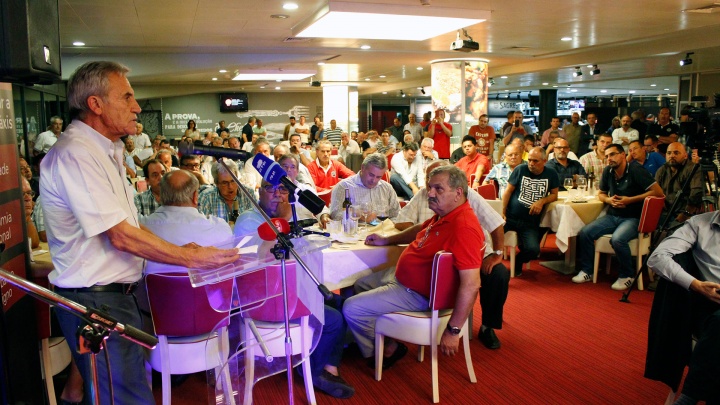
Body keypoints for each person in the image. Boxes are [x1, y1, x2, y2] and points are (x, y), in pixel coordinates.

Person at [39, 61, 239, 404]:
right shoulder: (77, 154)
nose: (137, 107)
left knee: (123, 391)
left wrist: (176, 246)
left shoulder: (105, 151)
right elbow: (120, 236)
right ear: (96, 105)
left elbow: (129, 226)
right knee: (128, 397)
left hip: (116, 298)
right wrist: (189, 257)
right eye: (127, 97)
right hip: (97, 301)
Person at [343, 165, 485, 366]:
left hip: (417, 294)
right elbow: (421, 228)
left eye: (438, 189)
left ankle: (388, 349)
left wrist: (453, 330)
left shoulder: (464, 227)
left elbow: (471, 284)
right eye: (429, 187)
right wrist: (387, 240)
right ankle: (367, 335)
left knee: (351, 308)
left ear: (458, 192)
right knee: (359, 285)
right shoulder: (446, 214)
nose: (430, 193)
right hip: (403, 280)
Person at [391, 161, 509, 349]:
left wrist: (497, 253)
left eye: (438, 185)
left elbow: (495, 224)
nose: (431, 189)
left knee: (498, 274)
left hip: (476, 251)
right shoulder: (423, 195)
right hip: (441, 254)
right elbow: (402, 220)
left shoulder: (467, 196)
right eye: (429, 182)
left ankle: (488, 326)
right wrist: (425, 233)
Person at [646, 211, 720, 405]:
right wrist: (695, 285)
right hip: (711, 303)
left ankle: (690, 396)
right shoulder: (699, 224)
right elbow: (657, 258)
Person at [572, 143, 664, 290]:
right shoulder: (608, 171)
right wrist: (608, 200)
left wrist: (630, 199)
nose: (609, 158)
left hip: (634, 217)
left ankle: (627, 275)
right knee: (585, 232)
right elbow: (601, 194)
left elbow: (658, 192)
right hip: (613, 215)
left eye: (613, 154)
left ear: (623, 155)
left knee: (618, 239)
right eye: (607, 156)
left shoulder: (636, 170)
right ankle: (587, 271)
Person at [141, 169, 233, 274]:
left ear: (160, 197)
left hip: (154, 290)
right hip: (208, 290)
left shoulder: (139, 227)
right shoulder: (220, 227)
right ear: (195, 197)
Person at [502, 147, 559, 276]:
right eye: (530, 160)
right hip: (510, 217)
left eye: (535, 161)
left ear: (544, 161)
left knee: (533, 250)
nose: (531, 164)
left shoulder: (551, 173)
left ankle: (518, 261)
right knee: (489, 236)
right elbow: (508, 192)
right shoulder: (520, 169)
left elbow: (554, 195)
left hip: (530, 221)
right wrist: (502, 211)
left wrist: (542, 201)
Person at [329, 153, 400, 221]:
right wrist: (357, 215)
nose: (374, 180)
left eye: (378, 177)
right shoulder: (344, 186)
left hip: (384, 231)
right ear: (363, 167)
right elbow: (335, 215)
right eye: (371, 175)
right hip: (357, 231)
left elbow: (396, 215)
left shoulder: (387, 188)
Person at [654, 142, 704, 225]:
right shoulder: (662, 170)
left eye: (676, 153)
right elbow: (655, 190)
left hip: (686, 214)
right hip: (665, 212)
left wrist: (686, 213)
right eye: (669, 153)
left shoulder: (693, 169)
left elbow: (696, 193)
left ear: (685, 155)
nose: (672, 155)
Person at [198, 159, 254, 223]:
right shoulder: (206, 197)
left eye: (233, 181)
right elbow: (201, 226)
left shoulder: (248, 193)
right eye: (225, 183)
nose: (230, 187)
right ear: (216, 183)